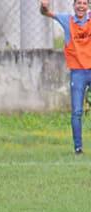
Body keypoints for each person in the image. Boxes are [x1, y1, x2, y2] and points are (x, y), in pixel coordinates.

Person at [41, 0, 91, 153]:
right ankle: (78, 148)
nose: (81, 6)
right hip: (78, 73)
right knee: (77, 111)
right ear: (74, 6)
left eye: (84, 3)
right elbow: (46, 13)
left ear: (88, 6)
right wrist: (43, 6)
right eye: (78, 3)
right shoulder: (66, 20)